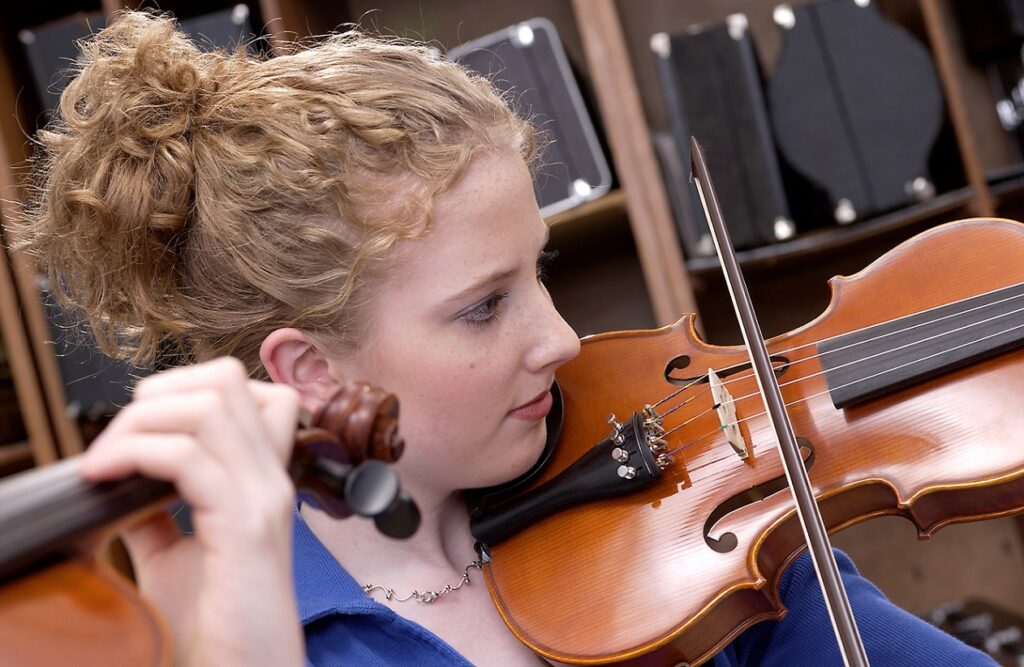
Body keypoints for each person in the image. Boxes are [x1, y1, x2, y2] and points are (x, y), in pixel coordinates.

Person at [11, 10, 997, 667]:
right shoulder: (230, 627)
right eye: (484, 305)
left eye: (541, 272)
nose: (562, 340)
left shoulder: (684, 526)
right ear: (310, 368)